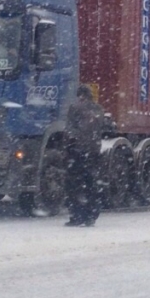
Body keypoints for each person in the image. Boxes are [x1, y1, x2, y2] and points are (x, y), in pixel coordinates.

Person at [62, 84, 105, 226]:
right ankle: (91, 216)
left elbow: (70, 130)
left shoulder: (75, 108)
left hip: (78, 151)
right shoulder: (99, 109)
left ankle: (76, 216)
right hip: (94, 151)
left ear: (79, 95)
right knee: (91, 183)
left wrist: (68, 147)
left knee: (74, 184)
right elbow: (100, 128)